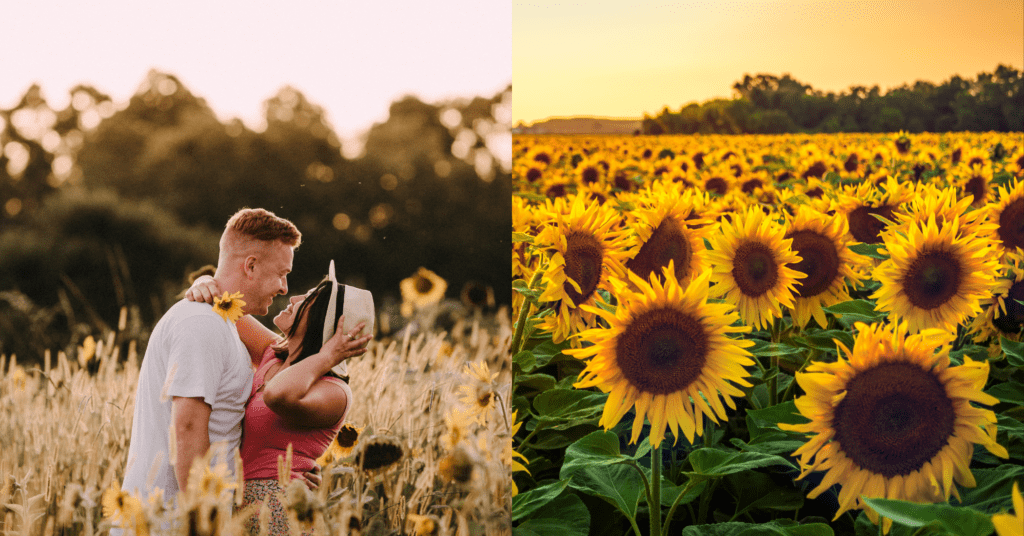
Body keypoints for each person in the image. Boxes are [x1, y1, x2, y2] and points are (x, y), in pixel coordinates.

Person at [117, 208, 302, 519]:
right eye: (281, 273)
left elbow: (282, 358)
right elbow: (187, 428)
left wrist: (294, 470)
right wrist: (203, 523)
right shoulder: (202, 323)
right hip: (167, 522)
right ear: (251, 266)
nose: (284, 287)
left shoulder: (224, 321)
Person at [186, 261, 375, 535]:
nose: (294, 297)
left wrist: (327, 356)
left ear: (324, 321)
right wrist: (200, 284)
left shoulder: (334, 391)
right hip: (237, 503)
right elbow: (222, 303)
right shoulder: (272, 353)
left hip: (279, 511)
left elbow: (276, 395)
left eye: (308, 300)